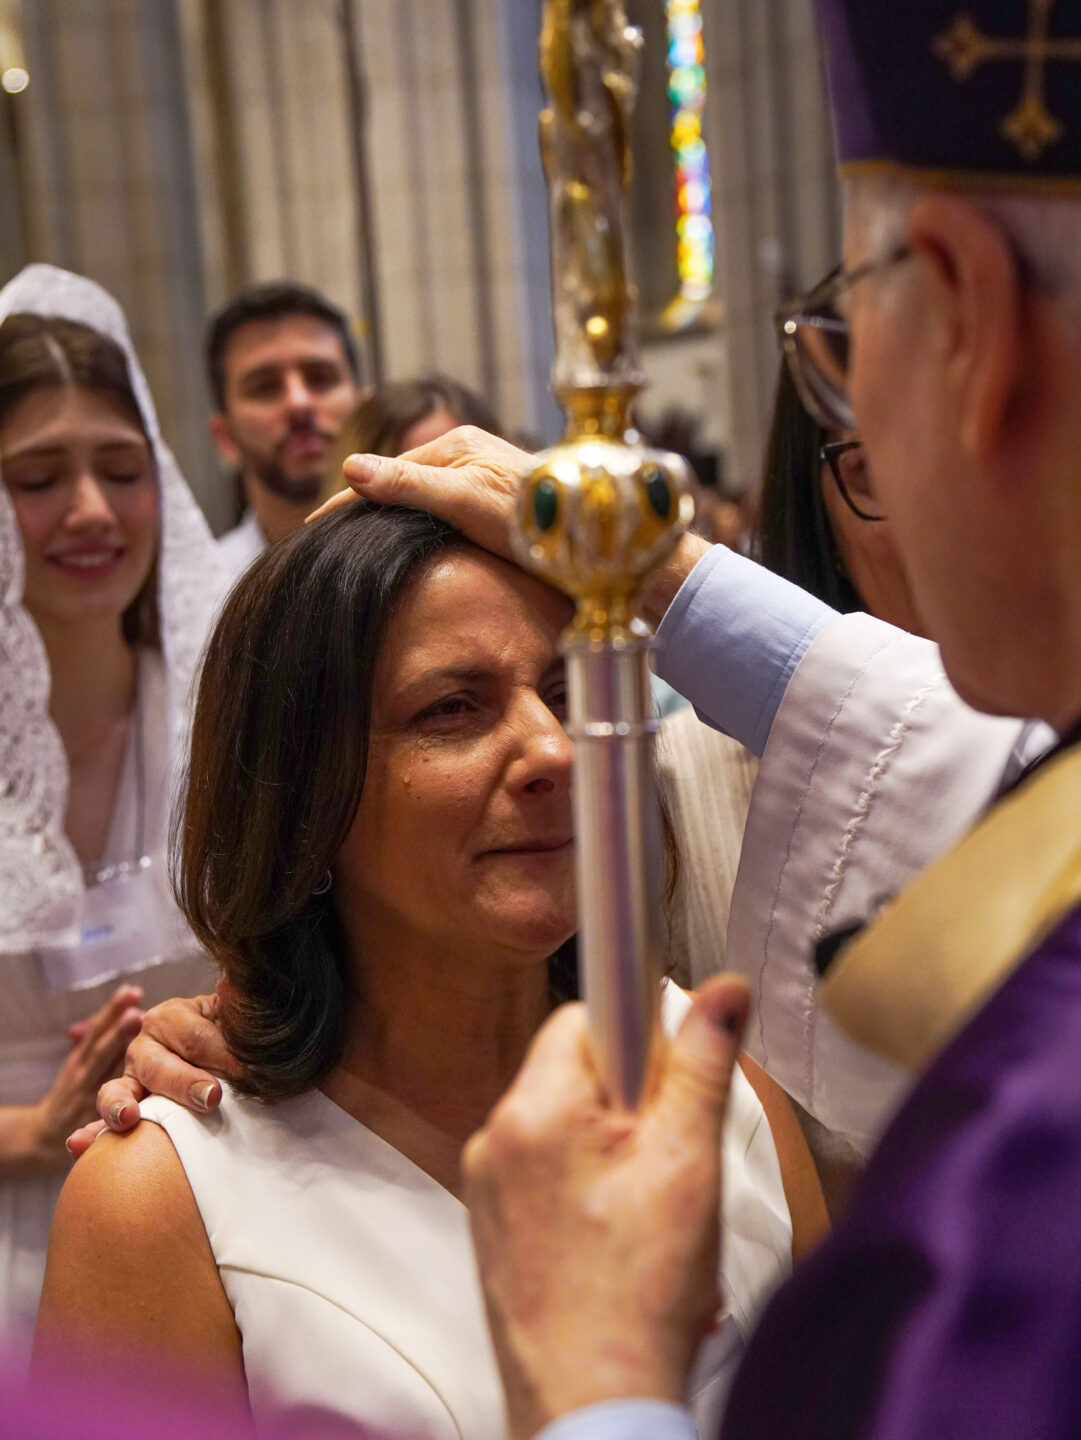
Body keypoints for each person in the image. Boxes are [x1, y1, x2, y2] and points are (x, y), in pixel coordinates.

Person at [453, 0, 1081, 1436]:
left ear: (966, 316)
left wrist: (601, 1380)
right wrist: (662, 579)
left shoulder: (1035, 1180)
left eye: (847, 343)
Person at [37, 500, 825, 1437]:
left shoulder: (718, 1089)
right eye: (451, 709)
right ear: (304, 798)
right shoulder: (163, 1204)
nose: (549, 750)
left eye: (570, 694)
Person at [0, 265, 220, 1364]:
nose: (90, 510)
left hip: (204, 1217)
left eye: (120, 470)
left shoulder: (222, 711)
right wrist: (28, 1137)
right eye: (38, 478)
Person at [209, 282, 362, 581]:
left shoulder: (432, 569)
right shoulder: (202, 595)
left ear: (363, 410)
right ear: (225, 437)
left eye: (320, 378)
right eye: (264, 387)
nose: (299, 403)